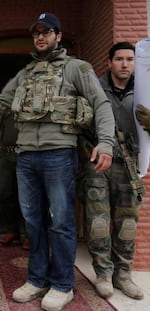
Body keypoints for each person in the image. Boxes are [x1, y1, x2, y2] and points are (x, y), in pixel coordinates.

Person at [0, 12, 115, 311]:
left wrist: (106, 142)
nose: (40, 37)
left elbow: (100, 103)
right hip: (26, 157)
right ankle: (37, 279)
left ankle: (63, 285)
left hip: (59, 155)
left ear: (57, 35)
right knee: (33, 223)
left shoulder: (76, 68)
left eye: (47, 31)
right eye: (36, 33)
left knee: (62, 223)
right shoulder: (25, 74)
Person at [79, 42, 149, 300]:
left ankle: (123, 275)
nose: (124, 64)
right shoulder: (94, 89)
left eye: (129, 59)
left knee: (127, 224)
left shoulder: (145, 92)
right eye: (119, 59)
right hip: (98, 164)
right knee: (98, 223)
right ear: (109, 62)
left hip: (129, 167)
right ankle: (103, 275)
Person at [0, 113, 28, 250]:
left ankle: (30, 235)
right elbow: (0, 128)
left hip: (26, 155)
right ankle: (11, 230)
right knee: (3, 193)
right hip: (6, 155)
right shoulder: (7, 107)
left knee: (27, 198)